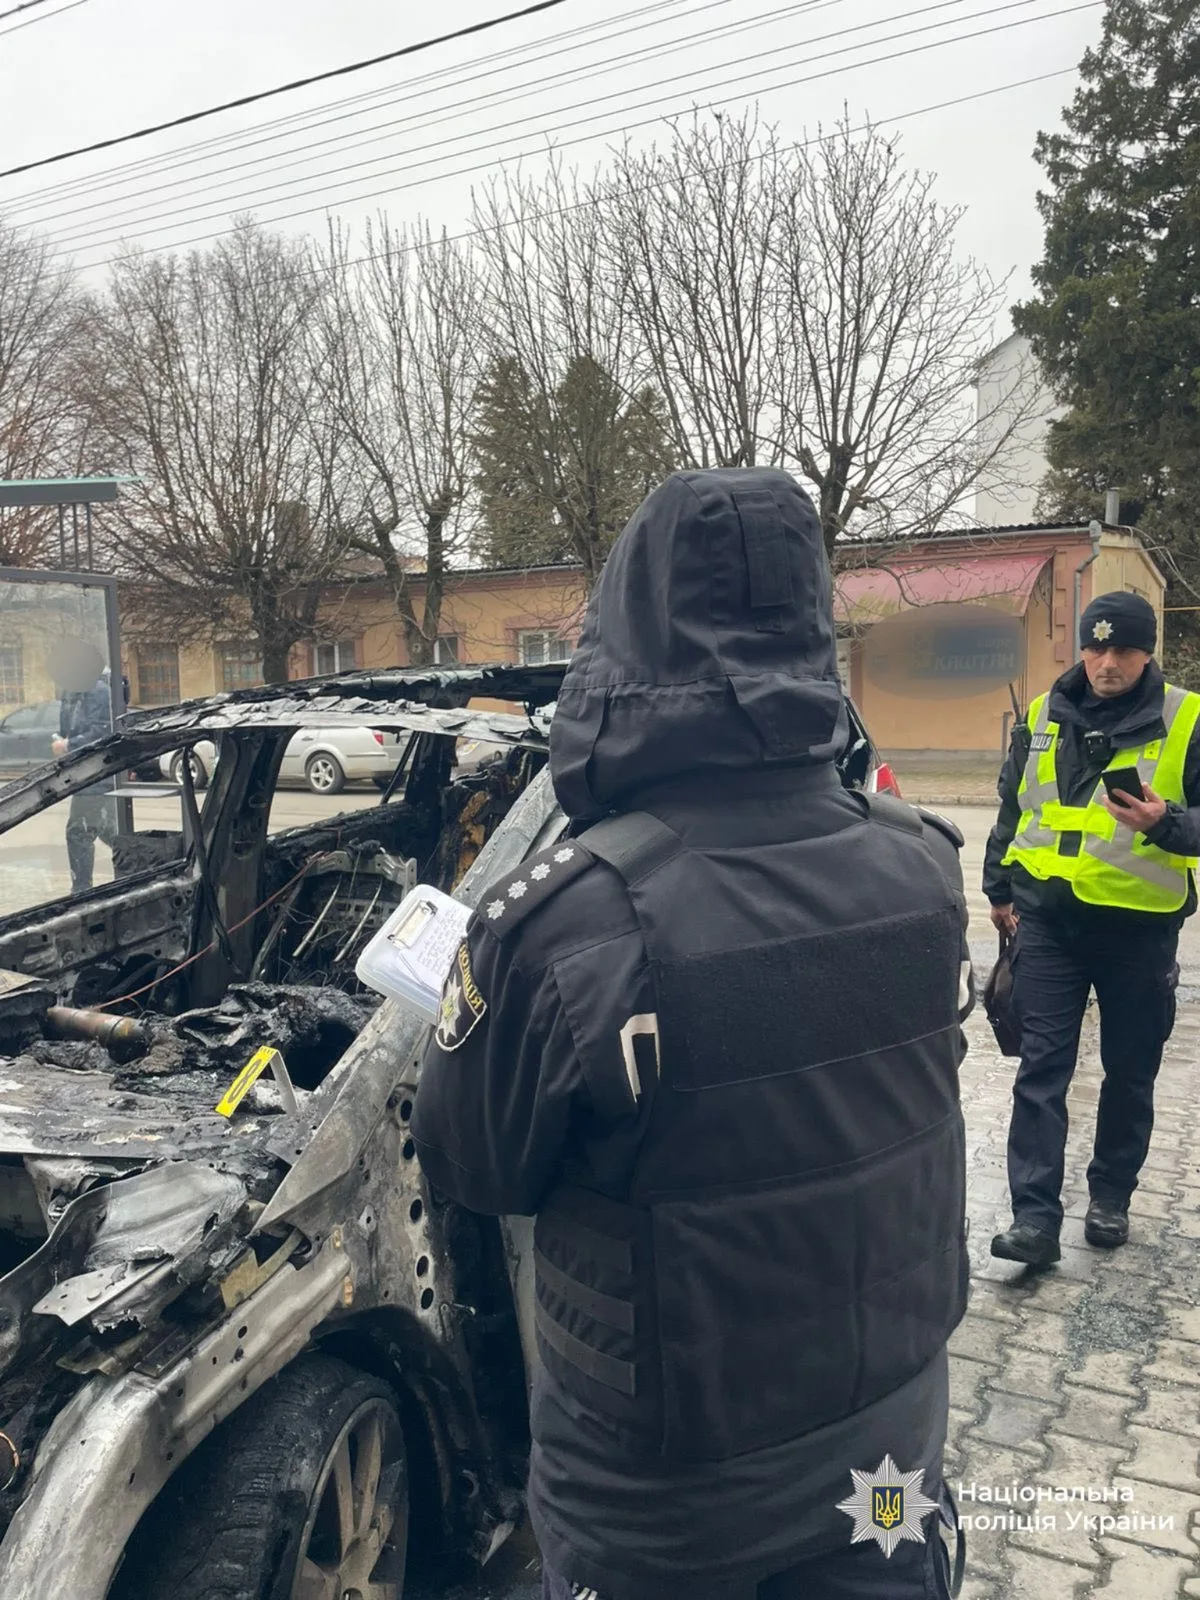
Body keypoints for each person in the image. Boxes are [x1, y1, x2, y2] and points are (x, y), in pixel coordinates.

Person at [412, 468, 973, 1600]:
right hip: (889, 1473)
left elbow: (473, 1170)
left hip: (664, 1526)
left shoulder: (564, 927)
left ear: (624, 638)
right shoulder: (925, 867)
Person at [985, 591, 1200, 1269]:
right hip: (1050, 924)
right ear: (1082, 648)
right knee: (1041, 1068)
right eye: (1096, 647)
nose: (1107, 662)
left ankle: (1110, 1197)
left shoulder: (1187, 718)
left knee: (1130, 1072)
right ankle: (1034, 1219)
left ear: (1147, 653)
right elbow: (1015, 805)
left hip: (1139, 931)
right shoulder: (1042, 714)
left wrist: (1166, 823)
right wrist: (997, 887)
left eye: (1124, 649)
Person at [49, 643, 119, 894]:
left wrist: (68, 745)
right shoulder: (75, 692)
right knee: (107, 831)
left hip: (96, 775)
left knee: (79, 832)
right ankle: (138, 868)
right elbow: (72, 727)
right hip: (85, 775)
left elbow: (102, 732)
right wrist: (64, 741)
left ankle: (81, 890)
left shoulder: (98, 691)